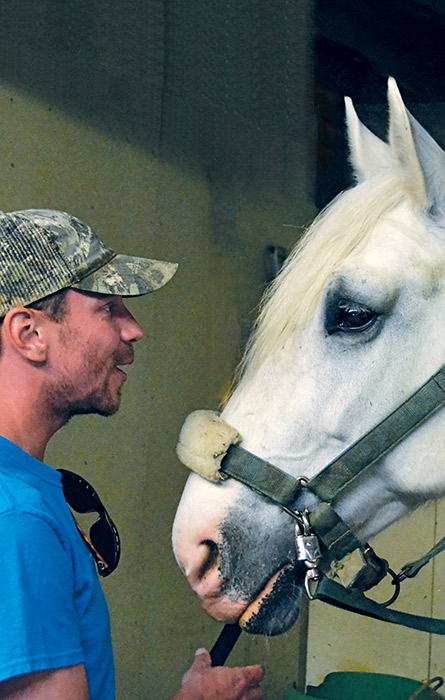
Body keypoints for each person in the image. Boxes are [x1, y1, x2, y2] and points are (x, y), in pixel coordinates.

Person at [0, 209, 264, 700]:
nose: (133, 329)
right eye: (107, 309)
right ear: (29, 334)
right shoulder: (15, 517)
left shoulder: (25, 492)